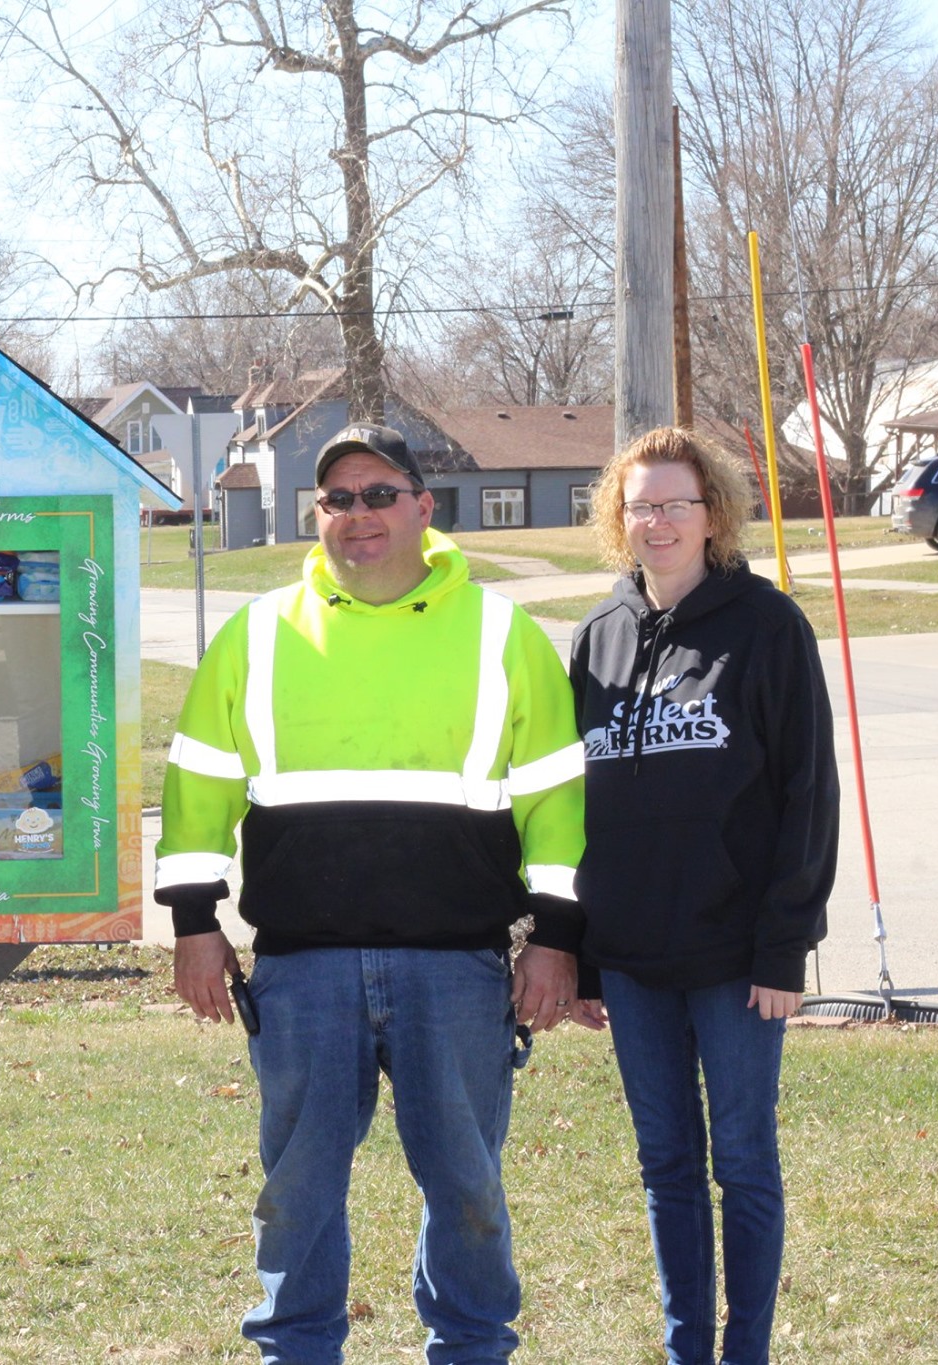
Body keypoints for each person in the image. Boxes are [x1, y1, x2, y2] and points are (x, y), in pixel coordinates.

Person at [155, 422, 587, 1363]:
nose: (360, 515)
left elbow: (558, 799)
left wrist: (556, 938)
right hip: (304, 970)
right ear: (318, 516)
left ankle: (474, 1347)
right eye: (338, 499)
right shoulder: (257, 633)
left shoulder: (502, 632)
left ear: (425, 507)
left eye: (380, 494)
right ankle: (296, 1349)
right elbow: (195, 791)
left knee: (468, 1189)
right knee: (299, 1189)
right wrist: (195, 923)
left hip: (460, 969)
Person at [567, 427, 839, 1365]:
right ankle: (689, 1346)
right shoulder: (598, 636)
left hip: (735, 962)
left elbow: (808, 795)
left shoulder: (766, 627)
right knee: (666, 1166)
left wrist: (782, 950)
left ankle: (746, 1349)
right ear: (619, 515)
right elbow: (578, 814)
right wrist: (586, 956)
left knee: (744, 1162)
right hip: (635, 962)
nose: (658, 521)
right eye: (640, 504)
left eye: (676, 503)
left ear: (713, 513)